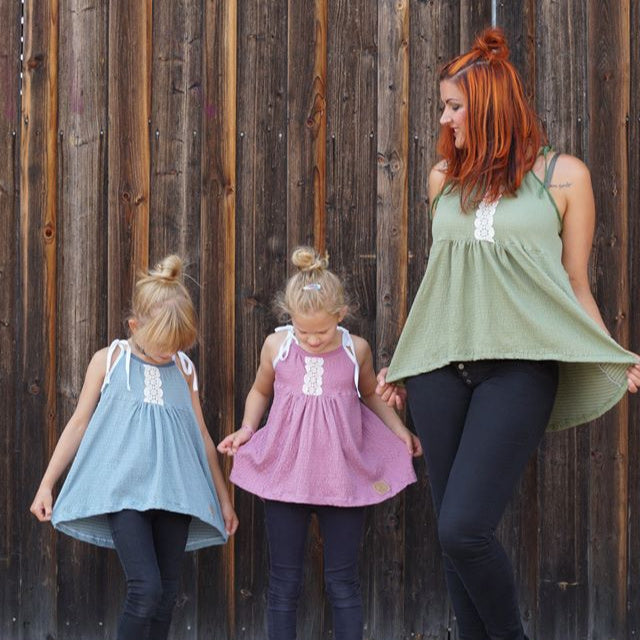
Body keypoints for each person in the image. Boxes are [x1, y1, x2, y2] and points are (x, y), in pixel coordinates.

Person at [376, 27, 640, 640]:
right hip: (439, 370)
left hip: (520, 370)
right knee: (452, 539)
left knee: (463, 528)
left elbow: (574, 282)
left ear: (490, 106)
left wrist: (609, 352)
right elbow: (442, 282)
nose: (444, 119)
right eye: (444, 106)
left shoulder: (564, 176)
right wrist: (406, 358)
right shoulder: (443, 178)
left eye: (454, 106)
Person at [30, 255, 239, 640]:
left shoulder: (184, 369)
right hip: (125, 494)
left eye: (176, 345)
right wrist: (47, 484)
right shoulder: (110, 361)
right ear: (135, 326)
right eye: (162, 345)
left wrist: (224, 500)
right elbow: (78, 424)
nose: (168, 353)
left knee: (167, 595)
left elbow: (202, 437)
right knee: (146, 590)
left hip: (176, 495)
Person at [218, 246, 421, 640]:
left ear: (340, 315)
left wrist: (400, 431)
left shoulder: (354, 349)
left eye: (321, 332)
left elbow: (371, 395)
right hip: (285, 476)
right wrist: (246, 429)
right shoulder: (277, 347)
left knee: (343, 582)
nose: (311, 340)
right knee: (284, 583)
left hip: (342, 477)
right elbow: (260, 391)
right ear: (289, 319)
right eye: (303, 331)